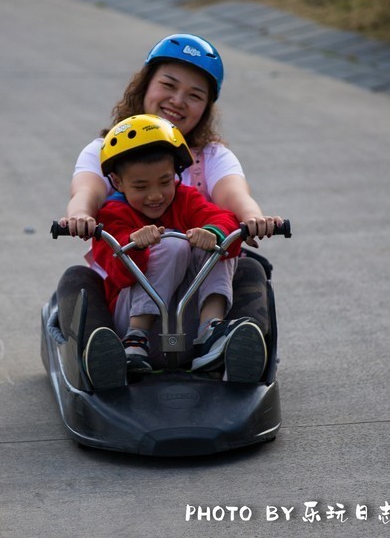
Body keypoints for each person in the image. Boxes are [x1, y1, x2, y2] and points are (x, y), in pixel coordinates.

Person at [56, 34, 281, 362]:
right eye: (169, 85)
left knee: (248, 269)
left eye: (194, 95)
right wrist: (80, 216)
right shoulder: (109, 156)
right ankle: (102, 354)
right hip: (130, 296)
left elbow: (236, 198)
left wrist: (253, 219)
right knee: (76, 279)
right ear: (145, 85)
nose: (178, 100)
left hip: (196, 293)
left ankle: (237, 349)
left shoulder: (207, 163)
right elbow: (86, 192)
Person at [80, 114, 267, 388]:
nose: (155, 195)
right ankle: (133, 341)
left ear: (176, 175)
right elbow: (117, 273)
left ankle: (212, 333)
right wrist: (135, 245)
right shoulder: (113, 214)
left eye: (165, 182)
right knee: (173, 244)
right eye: (141, 186)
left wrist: (213, 234)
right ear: (118, 183)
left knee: (220, 243)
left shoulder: (186, 199)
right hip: (131, 332)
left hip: (185, 329)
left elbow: (225, 220)